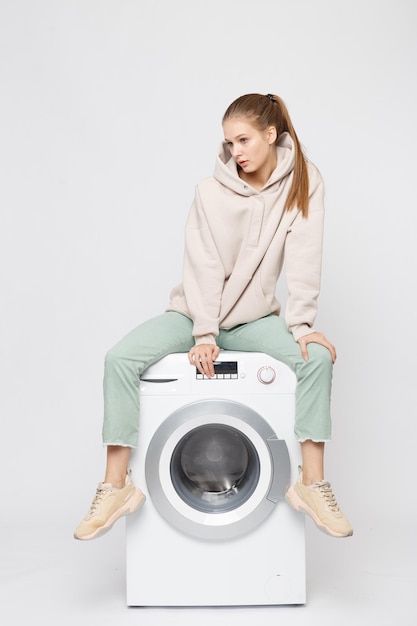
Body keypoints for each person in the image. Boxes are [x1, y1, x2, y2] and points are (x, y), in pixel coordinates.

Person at [74, 93, 353, 542]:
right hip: (193, 315)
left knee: (316, 359)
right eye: (228, 143)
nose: (235, 152)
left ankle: (312, 483)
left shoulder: (305, 181)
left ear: (270, 135)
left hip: (254, 321)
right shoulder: (208, 192)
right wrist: (203, 333)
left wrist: (302, 327)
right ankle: (115, 487)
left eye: (243, 140)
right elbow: (201, 265)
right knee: (119, 359)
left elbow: (305, 257)